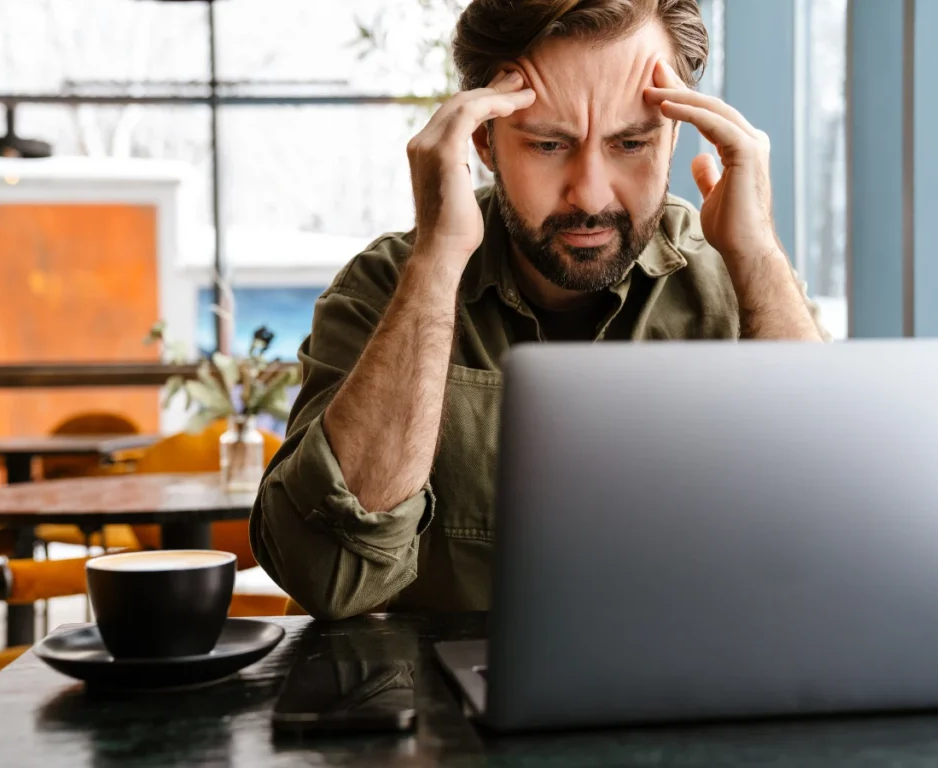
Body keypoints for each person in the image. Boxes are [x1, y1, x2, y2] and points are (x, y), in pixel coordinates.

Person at [250, 0, 828, 619]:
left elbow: (837, 537)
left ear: (675, 135)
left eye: (632, 143)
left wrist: (758, 256)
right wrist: (437, 259)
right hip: (437, 682)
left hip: (700, 676)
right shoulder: (385, 288)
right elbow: (329, 577)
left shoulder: (739, 281)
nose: (591, 195)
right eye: (549, 144)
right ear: (483, 140)